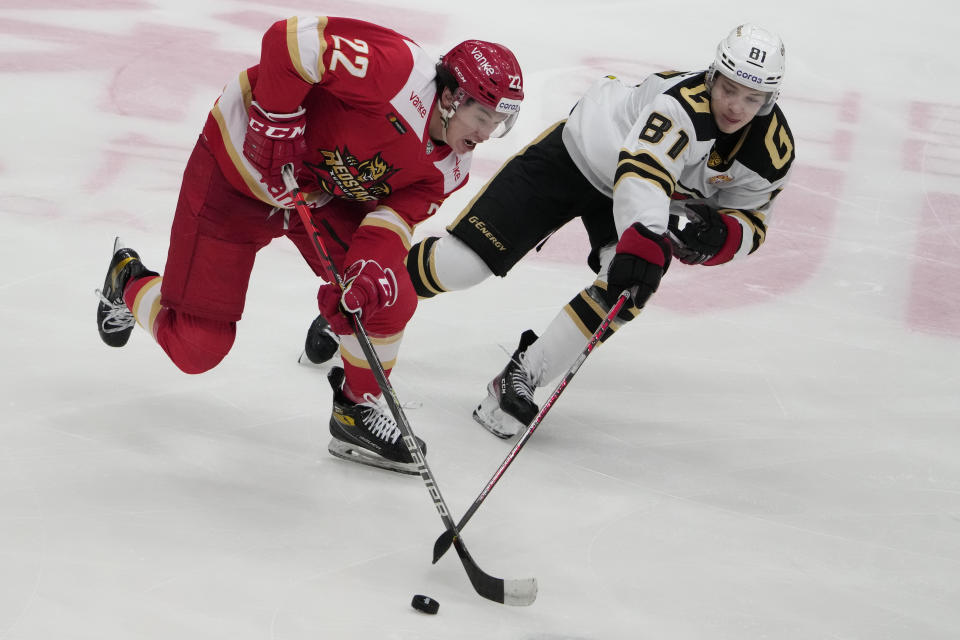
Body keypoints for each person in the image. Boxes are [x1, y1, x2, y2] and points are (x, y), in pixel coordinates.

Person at [306, 23, 796, 438]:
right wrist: (645, 237)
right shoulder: (682, 105)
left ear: (770, 98)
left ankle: (523, 374)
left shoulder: (772, 152)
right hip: (577, 157)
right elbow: (643, 171)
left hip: (638, 196)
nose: (735, 106)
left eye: (752, 97)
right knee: (462, 266)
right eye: (728, 88)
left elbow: (754, 219)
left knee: (626, 290)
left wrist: (722, 238)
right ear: (712, 76)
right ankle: (362, 297)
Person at [95, 15, 525, 474]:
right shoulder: (396, 70)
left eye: (498, 123)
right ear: (450, 96)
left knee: (388, 293)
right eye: (482, 116)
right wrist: (274, 120)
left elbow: (389, 224)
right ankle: (127, 282)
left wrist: (364, 278)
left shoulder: (450, 171)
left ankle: (356, 410)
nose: (485, 135)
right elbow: (288, 41)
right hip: (236, 173)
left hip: (316, 196)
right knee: (197, 347)